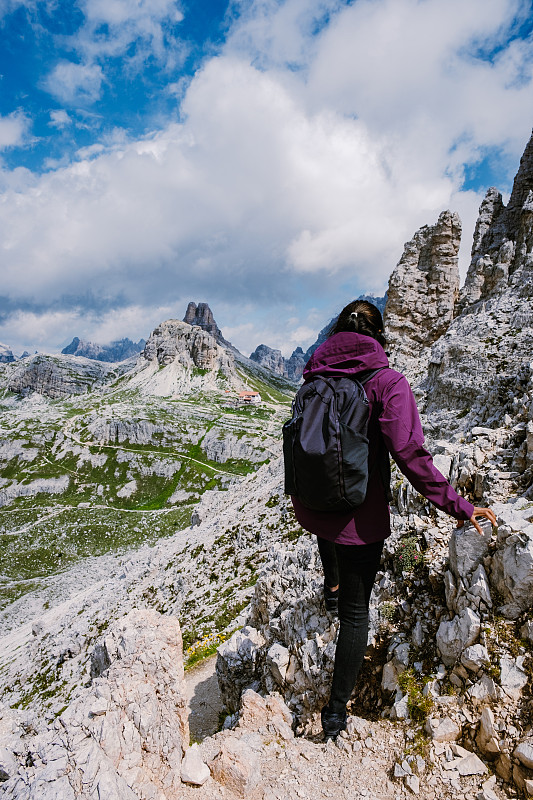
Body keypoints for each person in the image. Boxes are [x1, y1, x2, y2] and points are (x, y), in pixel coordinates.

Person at [291, 299, 497, 741]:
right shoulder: (387, 382)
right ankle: (333, 717)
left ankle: (331, 585)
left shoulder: (313, 376)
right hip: (360, 518)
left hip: (313, 505)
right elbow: (411, 455)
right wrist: (459, 506)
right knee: (355, 615)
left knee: (330, 531)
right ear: (378, 335)